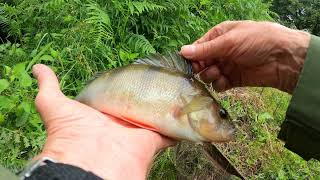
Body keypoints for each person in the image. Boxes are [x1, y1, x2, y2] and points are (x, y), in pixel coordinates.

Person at [1, 20, 319, 179]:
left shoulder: (190, 117)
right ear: (205, 105)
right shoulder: (187, 102)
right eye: (221, 115)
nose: (226, 123)